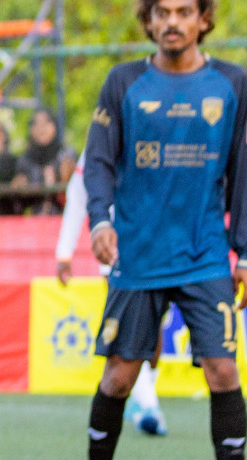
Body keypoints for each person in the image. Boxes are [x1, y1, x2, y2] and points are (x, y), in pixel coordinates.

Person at [69, 0, 247, 460]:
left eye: (184, 12)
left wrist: (245, 253)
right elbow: (99, 162)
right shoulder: (123, 82)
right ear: (148, 21)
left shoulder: (231, 83)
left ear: (204, 19)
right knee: (120, 379)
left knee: (224, 370)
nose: (172, 22)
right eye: (162, 13)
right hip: (137, 254)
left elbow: (244, 172)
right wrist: (99, 220)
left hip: (205, 255)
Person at [55, 151, 167, 436]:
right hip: (116, 251)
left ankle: (142, 394)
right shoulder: (100, 142)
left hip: (159, 244)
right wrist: (64, 252)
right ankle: (148, 404)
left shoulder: (157, 133)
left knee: (155, 325)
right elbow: (78, 193)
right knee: (131, 323)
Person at [12, 107, 63, 214]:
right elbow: (18, 205)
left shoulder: (65, 156)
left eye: (46, 123)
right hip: (34, 222)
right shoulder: (24, 160)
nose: (41, 128)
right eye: (36, 124)